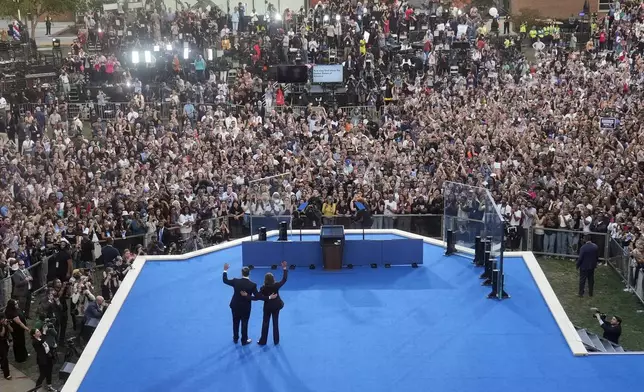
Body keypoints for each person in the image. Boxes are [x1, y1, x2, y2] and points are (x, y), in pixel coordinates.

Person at [222, 263, 275, 345]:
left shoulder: (235, 281)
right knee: (244, 323)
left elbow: (225, 280)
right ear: (249, 273)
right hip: (245, 308)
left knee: (235, 322)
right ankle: (244, 340)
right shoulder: (252, 285)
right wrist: (269, 298)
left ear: (242, 273)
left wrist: (225, 270)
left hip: (235, 305)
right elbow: (258, 297)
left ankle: (235, 338)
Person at [257, 260, 288, 345]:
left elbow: (258, 297)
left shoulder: (263, 288)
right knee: (275, 323)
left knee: (265, 323)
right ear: (273, 279)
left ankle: (263, 341)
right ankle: (276, 341)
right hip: (276, 306)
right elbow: (284, 279)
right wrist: (284, 268)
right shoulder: (276, 285)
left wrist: (268, 298)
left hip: (267, 307)